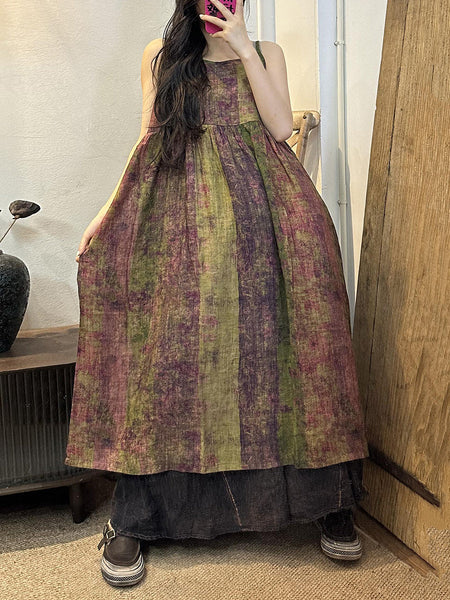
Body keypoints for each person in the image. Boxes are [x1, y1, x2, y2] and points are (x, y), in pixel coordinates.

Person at [65, 0, 370, 588]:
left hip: (269, 223)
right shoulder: (162, 57)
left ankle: (330, 502)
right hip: (179, 223)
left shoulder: (267, 53)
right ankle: (137, 516)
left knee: (304, 350)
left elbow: (279, 129)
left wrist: (246, 48)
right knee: (167, 359)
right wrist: (107, 211)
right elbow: (146, 140)